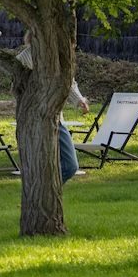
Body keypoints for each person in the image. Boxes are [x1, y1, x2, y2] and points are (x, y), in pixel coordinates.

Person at [15, 31, 89, 182]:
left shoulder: (58, 56)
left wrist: (79, 100)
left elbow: (67, 82)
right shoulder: (24, 58)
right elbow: (20, 89)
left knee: (67, 165)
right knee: (61, 165)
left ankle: (47, 192)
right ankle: (42, 192)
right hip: (36, 118)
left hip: (55, 117)